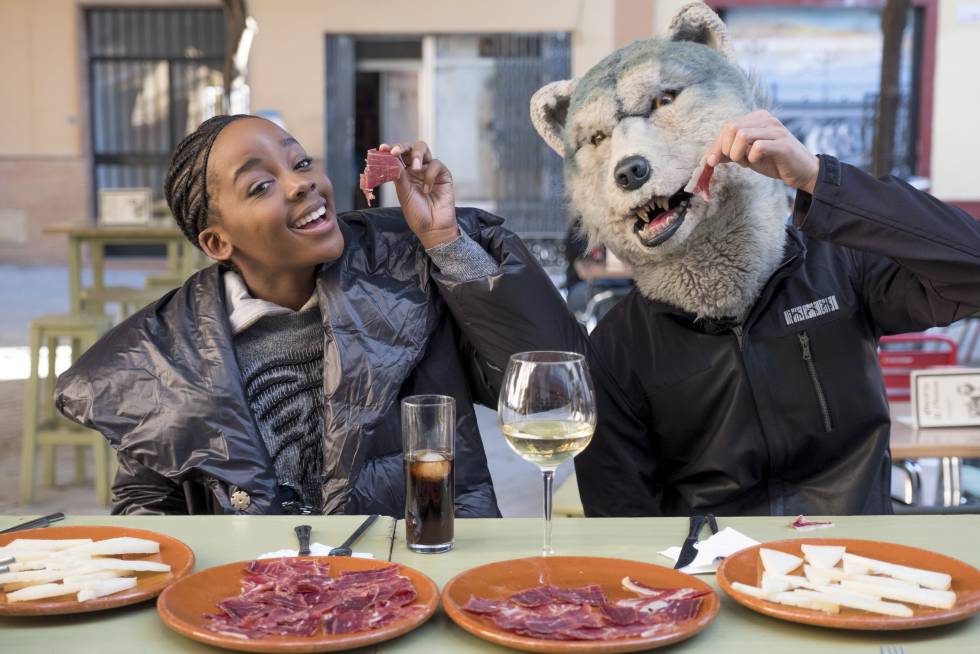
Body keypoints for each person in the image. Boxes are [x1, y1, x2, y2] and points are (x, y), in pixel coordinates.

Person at [54, 114, 586, 516]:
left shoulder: (410, 276)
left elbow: (550, 382)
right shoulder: (164, 356)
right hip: (257, 602)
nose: (300, 183)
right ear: (217, 241)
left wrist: (445, 241)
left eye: (301, 162)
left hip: (422, 574)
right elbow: (146, 504)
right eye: (260, 185)